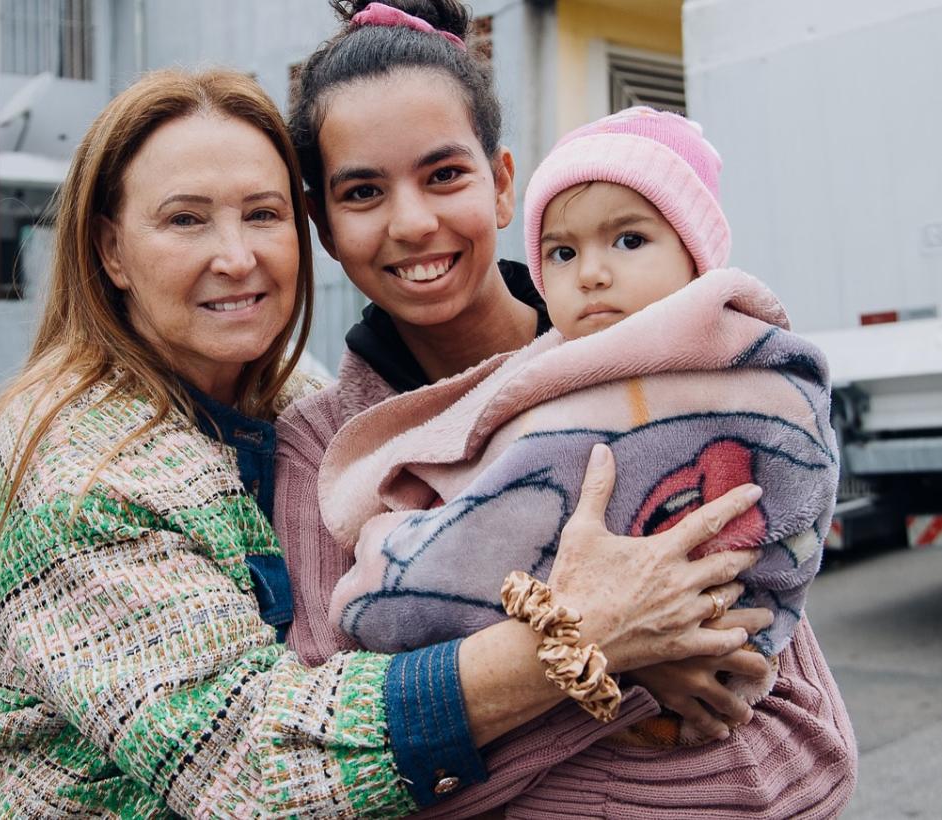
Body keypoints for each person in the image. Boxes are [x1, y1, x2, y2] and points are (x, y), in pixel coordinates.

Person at [0, 68, 762, 818]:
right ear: (111, 250)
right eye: (185, 220)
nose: (237, 256)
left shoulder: (307, 406)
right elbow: (250, 766)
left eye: (262, 213)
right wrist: (587, 645)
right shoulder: (78, 467)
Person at [277, 1, 857, 816]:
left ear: (503, 182)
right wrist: (609, 656)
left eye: (444, 175)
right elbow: (335, 755)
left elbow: (796, 762)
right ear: (325, 227)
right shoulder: (322, 449)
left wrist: (477, 723)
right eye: (363, 191)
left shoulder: (670, 384)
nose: (412, 222)